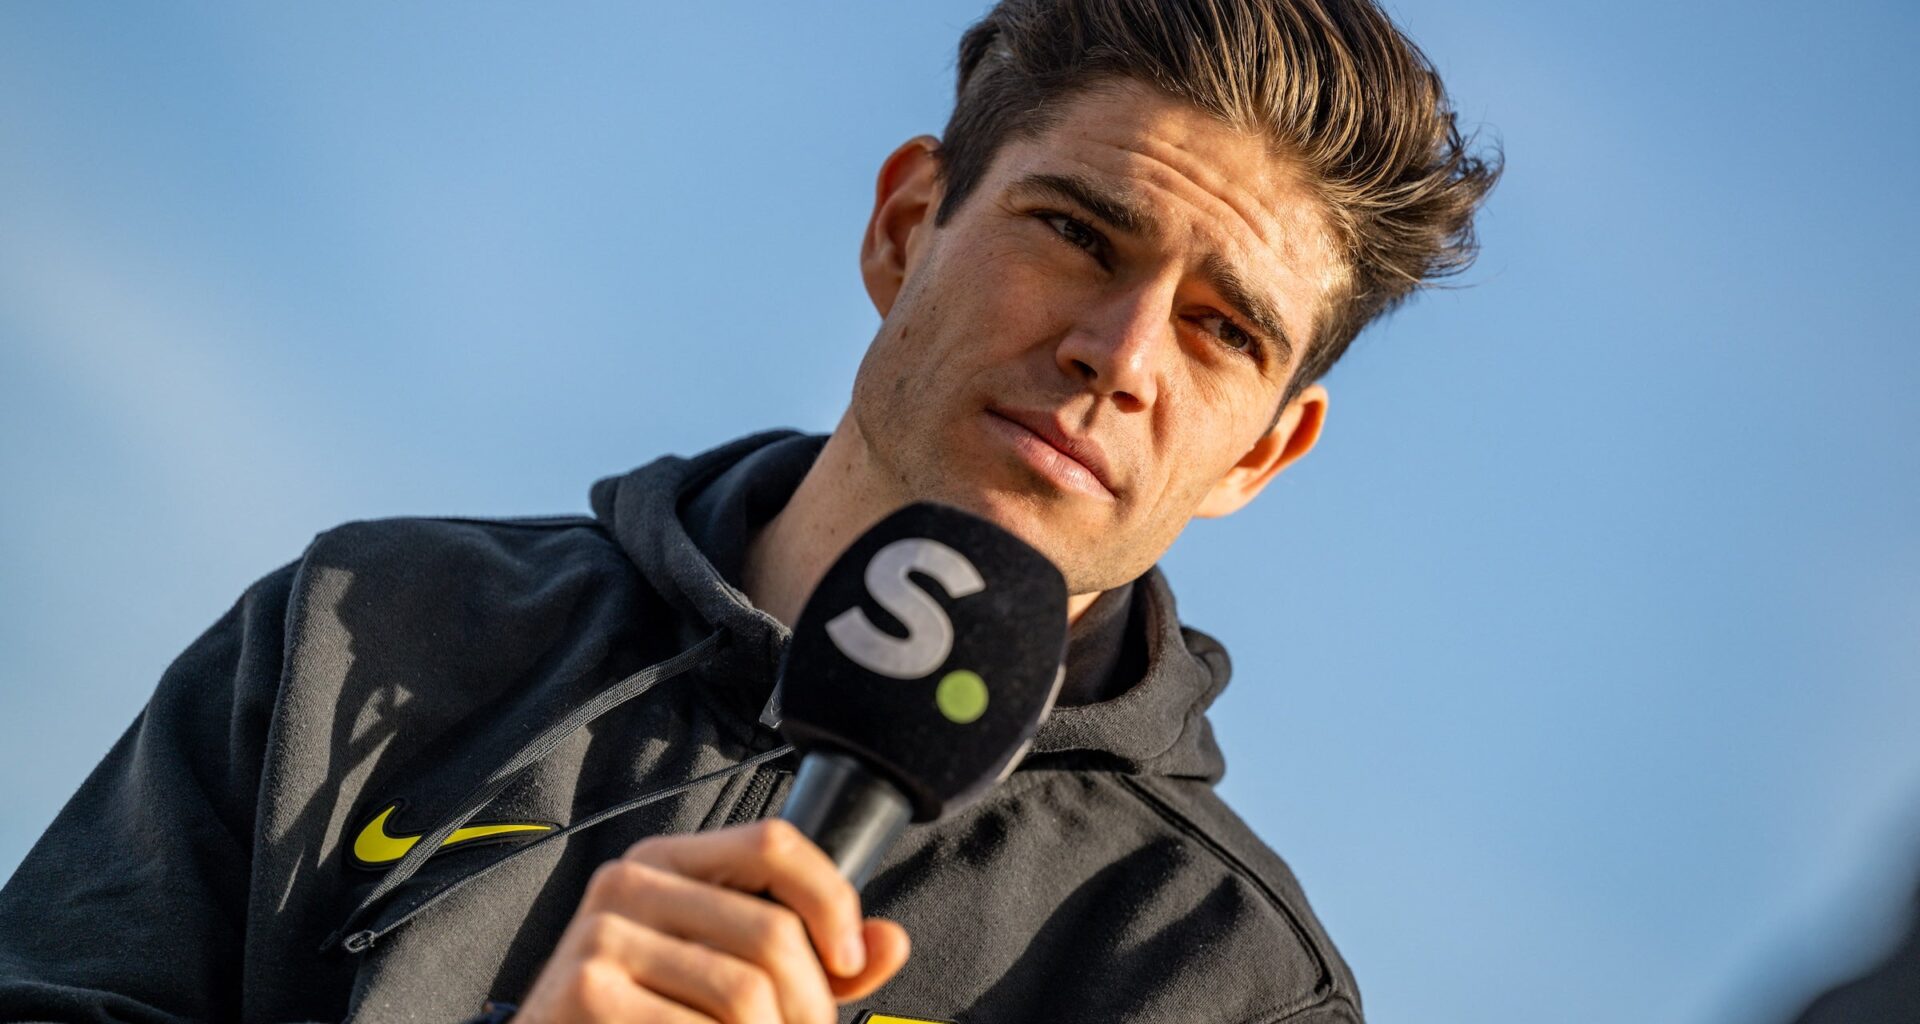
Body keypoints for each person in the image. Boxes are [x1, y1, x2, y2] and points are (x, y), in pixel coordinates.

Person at [0, 0, 1498, 1021]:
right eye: (1077, 231)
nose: (1118, 354)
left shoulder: (1215, 978)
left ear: (1263, 456)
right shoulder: (368, 629)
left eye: (1223, 329)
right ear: (909, 225)